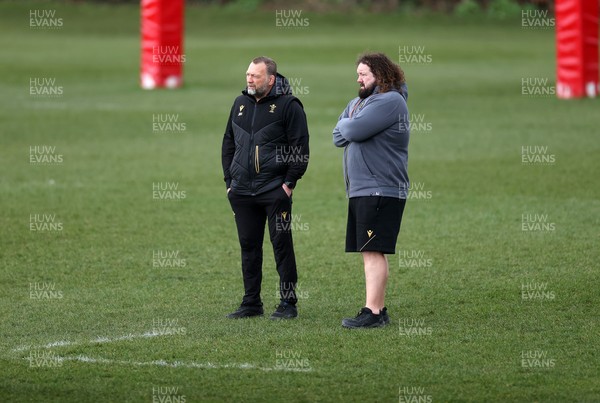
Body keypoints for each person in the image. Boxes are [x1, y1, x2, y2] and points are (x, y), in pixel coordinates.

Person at [222, 56, 310, 320]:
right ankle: (251, 303)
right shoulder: (239, 104)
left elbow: (301, 148)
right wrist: (229, 182)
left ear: (271, 79)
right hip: (241, 191)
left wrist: (289, 183)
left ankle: (288, 303)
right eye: (248, 74)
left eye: (255, 76)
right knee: (249, 246)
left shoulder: (289, 106)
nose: (249, 79)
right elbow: (228, 143)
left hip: (274, 190)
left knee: (281, 245)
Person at [332, 52, 409, 328]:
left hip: (379, 189)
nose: (358, 78)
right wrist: (349, 123)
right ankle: (377, 309)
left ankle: (373, 313)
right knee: (370, 250)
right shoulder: (360, 102)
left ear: (381, 75)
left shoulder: (390, 102)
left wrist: (349, 123)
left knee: (373, 250)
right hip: (363, 189)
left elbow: (351, 131)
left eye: (364, 73)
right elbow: (337, 136)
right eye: (358, 73)